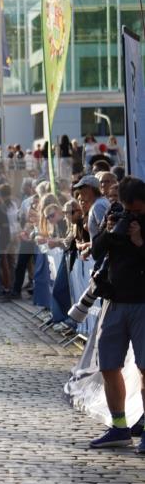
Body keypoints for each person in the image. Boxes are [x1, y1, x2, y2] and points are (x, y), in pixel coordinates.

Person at [88, 176, 145, 453]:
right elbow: (95, 250)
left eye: (137, 209)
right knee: (109, 365)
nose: (132, 214)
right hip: (115, 301)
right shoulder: (115, 215)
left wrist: (139, 241)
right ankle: (119, 428)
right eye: (129, 208)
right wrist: (109, 232)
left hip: (143, 303)